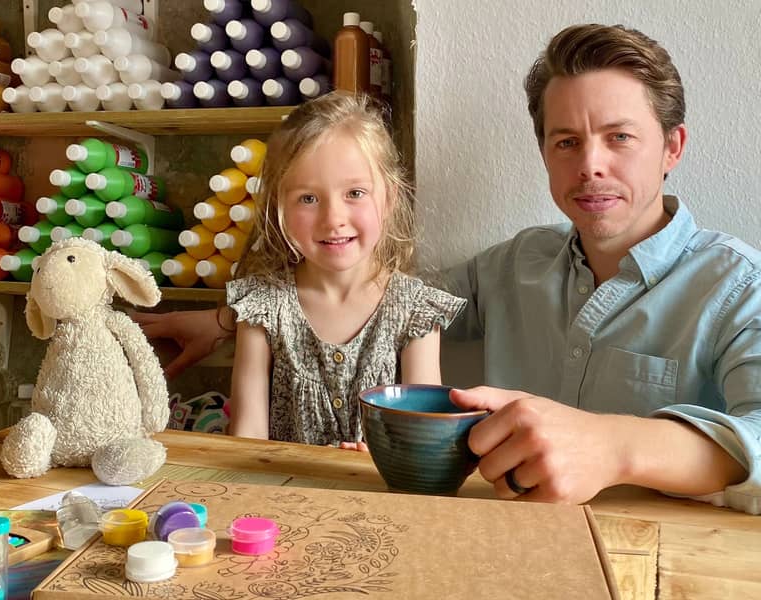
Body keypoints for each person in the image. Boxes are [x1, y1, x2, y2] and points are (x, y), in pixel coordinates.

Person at [136, 24, 761, 514]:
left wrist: (617, 446)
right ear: (544, 151)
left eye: (620, 137)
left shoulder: (737, 285)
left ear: (672, 147)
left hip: (657, 553)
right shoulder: (516, 265)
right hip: (494, 531)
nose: (590, 164)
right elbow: (361, 297)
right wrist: (226, 317)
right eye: (566, 140)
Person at [160, 92, 464, 447]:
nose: (333, 219)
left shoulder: (416, 311)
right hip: (281, 497)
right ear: (279, 208)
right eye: (308, 198)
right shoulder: (262, 307)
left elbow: (425, 445)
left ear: (390, 198)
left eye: (355, 193)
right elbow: (246, 440)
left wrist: (379, 460)